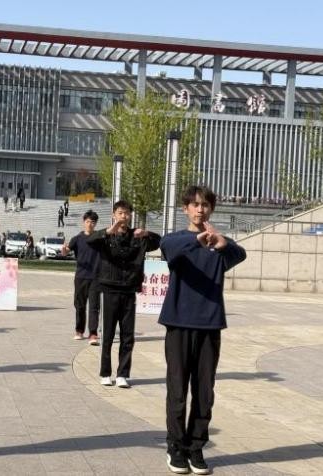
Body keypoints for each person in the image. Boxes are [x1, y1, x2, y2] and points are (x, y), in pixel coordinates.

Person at [159, 185, 246, 475]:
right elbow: (168, 249)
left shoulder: (219, 245)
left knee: (204, 391)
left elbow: (240, 254)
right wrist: (197, 241)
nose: (200, 209)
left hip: (210, 325)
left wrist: (221, 242)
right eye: (195, 205)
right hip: (179, 324)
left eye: (205, 205)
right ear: (185, 209)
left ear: (212, 209)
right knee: (177, 390)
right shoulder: (176, 240)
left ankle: (196, 447)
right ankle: (175, 447)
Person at [87, 200, 160, 389]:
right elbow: (90, 240)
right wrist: (108, 231)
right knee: (108, 334)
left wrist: (146, 233)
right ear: (114, 215)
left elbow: (158, 241)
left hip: (129, 290)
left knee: (128, 336)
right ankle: (105, 373)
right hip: (109, 289)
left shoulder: (137, 236)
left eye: (127, 213)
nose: (124, 216)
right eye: (120, 213)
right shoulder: (105, 236)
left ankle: (122, 374)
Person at [63, 210, 101, 344]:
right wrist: (64, 250)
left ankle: (93, 334)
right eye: (88, 221)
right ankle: (79, 331)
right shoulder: (77, 238)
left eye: (93, 222)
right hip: (81, 276)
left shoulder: (99, 238)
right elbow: (66, 252)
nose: (90, 224)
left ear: (96, 224)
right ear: (84, 222)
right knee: (80, 305)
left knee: (94, 306)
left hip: (96, 278)